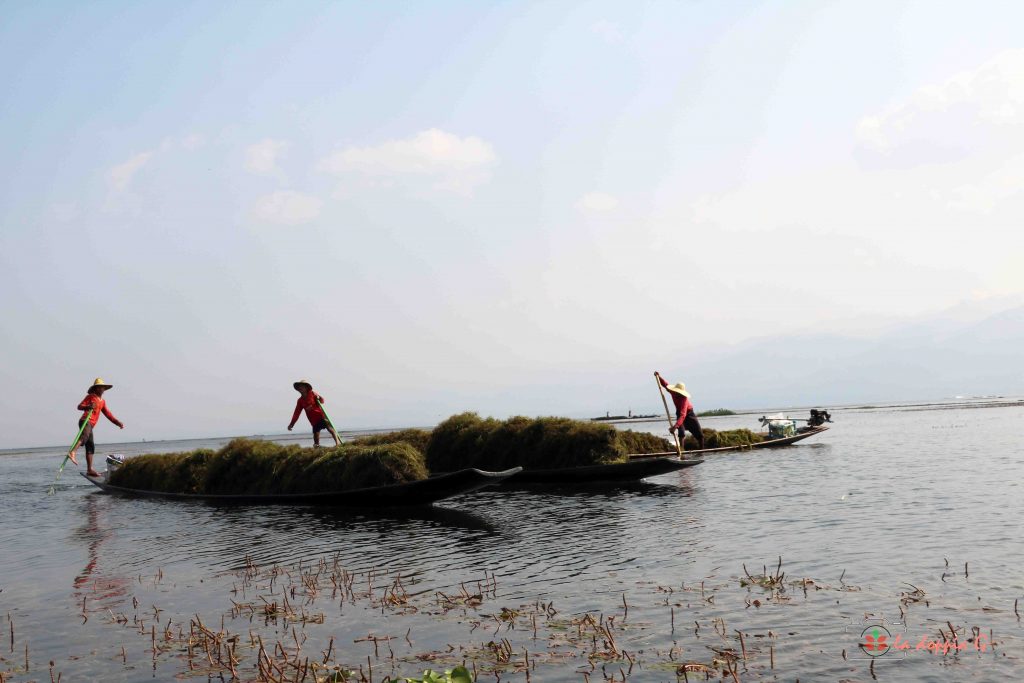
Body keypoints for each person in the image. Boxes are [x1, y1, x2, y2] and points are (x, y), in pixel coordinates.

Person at [70, 378, 125, 477]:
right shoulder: (91, 396)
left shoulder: (102, 401)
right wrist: (88, 407)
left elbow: (108, 414)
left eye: (103, 387)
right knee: (85, 436)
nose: (102, 389)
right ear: (95, 389)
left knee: (90, 446)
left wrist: (117, 423)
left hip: (91, 425)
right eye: (99, 387)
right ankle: (73, 452)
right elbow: (79, 406)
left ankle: (89, 470)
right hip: (85, 420)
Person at [655, 371, 705, 450]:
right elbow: (665, 384)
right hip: (680, 412)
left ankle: (702, 451)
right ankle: (681, 450)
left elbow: (683, 415)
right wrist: (658, 376)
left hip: (689, 414)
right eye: (676, 392)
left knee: (700, 435)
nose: (677, 393)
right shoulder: (673, 392)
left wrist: (675, 426)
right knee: (681, 433)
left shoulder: (684, 399)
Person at [287, 380, 341, 447]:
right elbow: (296, 413)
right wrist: (291, 424)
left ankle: (337, 443)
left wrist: (318, 398)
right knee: (316, 436)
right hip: (313, 420)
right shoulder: (300, 401)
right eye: (299, 387)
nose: (300, 388)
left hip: (321, 416)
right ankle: (317, 447)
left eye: (302, 387)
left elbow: (322, 401)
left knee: (329, 428)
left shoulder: (312, 393)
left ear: (306, 388)